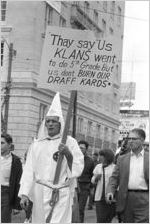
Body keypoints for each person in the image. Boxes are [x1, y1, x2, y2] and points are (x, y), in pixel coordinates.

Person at [18, 92, 84, 223]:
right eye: (48, 121)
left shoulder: (70, 142)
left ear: (60, 124)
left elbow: (78, 167)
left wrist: (68, 154)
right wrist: (24, 193)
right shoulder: (36, 145)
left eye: (54, 121)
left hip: (60, 193)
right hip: (40, 193)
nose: (51, 124)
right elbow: (29, 170)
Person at [106, 128, 149, 223]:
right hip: (125, 198)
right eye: (129, 139)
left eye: (134, 139)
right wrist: (110, 191)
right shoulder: (122, 159)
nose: (130, 141)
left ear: (142, 140)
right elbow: (114, 178)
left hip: (145, 198)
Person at [1, 133, 23, 223]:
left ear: (9, 145)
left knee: (4, 220)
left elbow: (18, 183)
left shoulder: (16, 161)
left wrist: (17, 205)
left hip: (6, 194)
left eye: (2, 143)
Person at [91, 149, 116, 222]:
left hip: (110, 197)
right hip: (99, 198)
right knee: (100, 219)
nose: (100, 157)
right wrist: (95, 178)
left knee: (108, 218)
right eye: (100, 155)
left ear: (108, 157)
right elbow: (92, 180)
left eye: (102, 155)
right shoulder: (98, 166)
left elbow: (116, 182)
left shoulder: (114, 168)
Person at [78, 140, 94, 223]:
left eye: (82, 148)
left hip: (84, 187)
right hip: (73, 186)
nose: (80, 149)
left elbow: (92, 175)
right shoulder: (73, 158)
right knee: (71, 209)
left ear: (86, 149)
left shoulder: (90, 161)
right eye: (79, 147)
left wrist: (89, 187)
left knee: (80, 209)